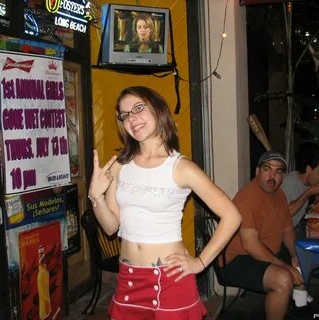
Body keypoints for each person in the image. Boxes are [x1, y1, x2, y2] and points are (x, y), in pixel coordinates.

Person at [88, 86, 241, 319]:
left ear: (158, 110)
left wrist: (200, 262)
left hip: (170, 279)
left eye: (138, 108)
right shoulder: (120, 166)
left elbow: (232, 216)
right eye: (125, 114)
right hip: (128, 278)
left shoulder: (181, 168)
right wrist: (95, 196)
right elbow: (110, 227)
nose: (132, 118)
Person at [221, 151, 305, 320]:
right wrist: (286, 266)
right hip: (237, 258)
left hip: (266, 249)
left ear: (282, 176)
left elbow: (287, 229)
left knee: (303, 257)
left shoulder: (279, 194)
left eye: (278, 171)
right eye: (267, 169)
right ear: (257, 172)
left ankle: (295, 305)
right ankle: (284, 298)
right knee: (283, 280)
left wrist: (294, 255)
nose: (272, 176)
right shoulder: (247, 198)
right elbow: (251, 246)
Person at [281, 147, 319, 226]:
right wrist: (308, 193)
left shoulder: (311, 182)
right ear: (308, 169)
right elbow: (285, 214)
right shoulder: (289, 182)